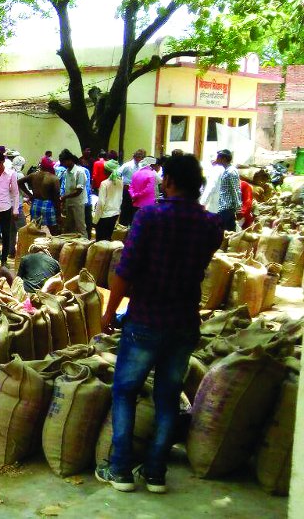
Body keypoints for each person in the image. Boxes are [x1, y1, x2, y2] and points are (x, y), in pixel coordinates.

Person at [97, 154, 223, 494]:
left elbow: (125, 271)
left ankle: (120, 469)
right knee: (168, 398)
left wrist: (109, 315)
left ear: (167, 182)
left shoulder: (150, 216)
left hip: (145, 319)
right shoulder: (212, 225)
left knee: (125, 391)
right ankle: (155, 473)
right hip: (183, 323)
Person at [19, 156, 61, 234]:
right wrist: (58, 215)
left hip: (36, 204)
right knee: (53, 232)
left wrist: (29, 195)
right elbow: (56, 197)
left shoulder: (34, 175)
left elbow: (19, 182)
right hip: (48, 205)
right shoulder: (54, 178)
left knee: (35, 230)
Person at [59, 150, 87, 235]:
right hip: (69, 203)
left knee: (80, 227)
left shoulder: (79, 172)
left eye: (64, 162)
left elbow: (78, 191)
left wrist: (64, 197)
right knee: (69, 227)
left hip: (78, 203)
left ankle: (84, 244)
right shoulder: (66, 172)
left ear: (69, 160)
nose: (63, 165)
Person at [94, 159, 123, 241]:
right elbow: (120, 199)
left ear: (107, 171)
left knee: (100, 241)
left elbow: (101, 203)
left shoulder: (104, 183)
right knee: (108, 238)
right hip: (115, 214)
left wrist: (95, 220)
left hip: (104, 216)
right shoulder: (120, 182)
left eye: (104, 169)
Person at [214, 149, 242, 231]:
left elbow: (235, 190)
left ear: (224, 159)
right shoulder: (226, 171)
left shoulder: (231, 172)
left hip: (227, 207)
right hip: (223, 207)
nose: (216, 159)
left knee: (226, 234)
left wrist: (238, 209)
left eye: (218, 157)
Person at [117, 149, 146, 225]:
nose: (140, 159)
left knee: (135, 210)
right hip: (127, 190)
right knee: (125, 210)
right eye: (139, 156)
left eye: (141, 157)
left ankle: (131, 228)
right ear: (134, 156)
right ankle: (123, 228)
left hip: (137, 191)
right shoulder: (127, 165)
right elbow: (117, 174)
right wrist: (122, 184)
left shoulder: (141, 166)